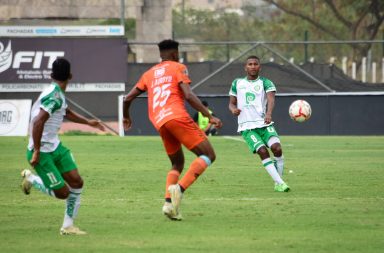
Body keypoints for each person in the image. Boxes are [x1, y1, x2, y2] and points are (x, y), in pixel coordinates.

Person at [123, 39, 222, 220]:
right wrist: (209, 116)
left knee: (177, 163)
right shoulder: (178, 67)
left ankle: (169, 204)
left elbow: (127, 99)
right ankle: (179, 189)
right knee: (209, 155)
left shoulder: (149, 74)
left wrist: (126, 116)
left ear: (161, 54)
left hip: (160, 121)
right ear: (176, 54)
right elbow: (189, 95)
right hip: (177, 116)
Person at [20, 58, 105, 235]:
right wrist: (36, 150)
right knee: (63, 193)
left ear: (51, 75)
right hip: (41, 152)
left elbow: (65, 111)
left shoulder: (56, 93)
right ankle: (32, 179)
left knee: (77, 181)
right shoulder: (54, 95)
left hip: (55, 147)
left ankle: (68, 226)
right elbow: (38, 122)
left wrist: (88, 122)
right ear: (71, 76)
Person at [228, 55, 290, 192]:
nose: (253, 66)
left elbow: (271, 99)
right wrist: (233, 110)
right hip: (247, 127)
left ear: (259, 67)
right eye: (250, 64)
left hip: (264, 123)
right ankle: (280, 183)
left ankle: (278, 182)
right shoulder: (237, 83)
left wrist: (268, 114)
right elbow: (231, 103)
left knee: (277, 149)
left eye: (255, 64)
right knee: (262, 151)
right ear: (245, 67)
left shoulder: (266, 82)